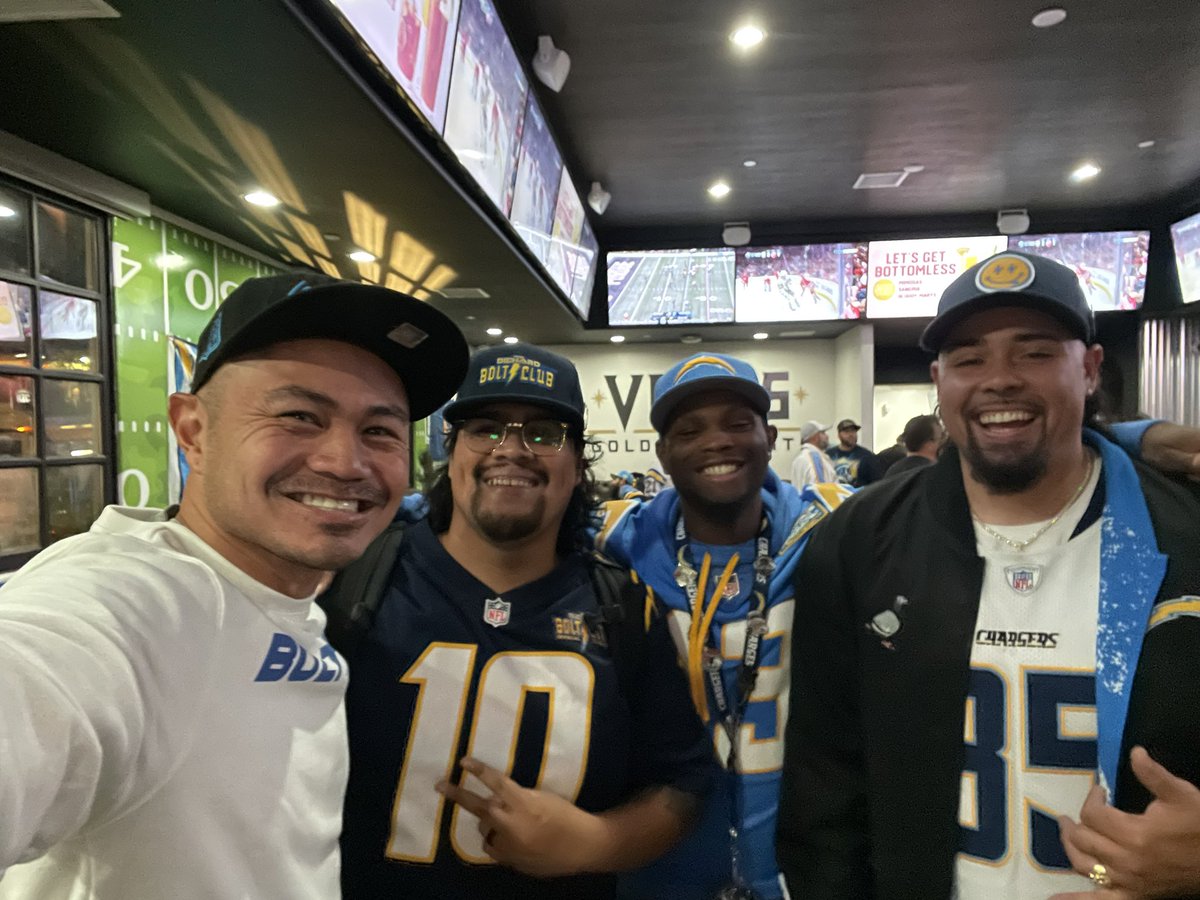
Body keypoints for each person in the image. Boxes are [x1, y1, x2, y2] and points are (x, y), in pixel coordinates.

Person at [0, 273, 469, 899]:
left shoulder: (286, 596)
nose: (345, 462)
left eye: (379, 430)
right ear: (192, 430)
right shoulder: (137, 601)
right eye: (300, 415)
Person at [777, 250, 1200, 899]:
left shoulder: (1184, 536)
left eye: (1034, 353)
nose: (998, 379)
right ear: (938, 381)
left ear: (1088, 369)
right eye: (969, 358)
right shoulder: (860, 540)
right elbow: (824, 791)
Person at [338, 343, 715, 900]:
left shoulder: (624, 604)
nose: (511, 450)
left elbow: (681, 785)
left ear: (579, 459)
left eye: (544, 432)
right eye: (486, 428)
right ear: (452, 447)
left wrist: (598, 843)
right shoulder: (355, 576)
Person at [596, 353, 852, 900]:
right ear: (663, 453)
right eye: (689, 430)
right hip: (662, 870)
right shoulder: (622, 543)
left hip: (802, 873)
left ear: (770, 435)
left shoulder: (833, 531)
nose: (717, 442)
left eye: (738, 424)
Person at [825, 418, 882, 486]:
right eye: (846, 432)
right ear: (838, 435)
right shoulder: (828, 455)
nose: (851, 435)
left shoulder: (867, 455)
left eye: (853, 431)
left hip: (859, 495)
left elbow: (876, 483)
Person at [885, 413, 944, 477]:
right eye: (942, 437)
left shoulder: (893, 470)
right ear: (928, 444)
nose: (944, 443)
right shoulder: (933, 473)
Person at [791, 419, 840, 488]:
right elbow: (819, 491)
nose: (827, 436)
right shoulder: (815, 458)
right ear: (815, 437)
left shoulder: (799, 458)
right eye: (823, 433)